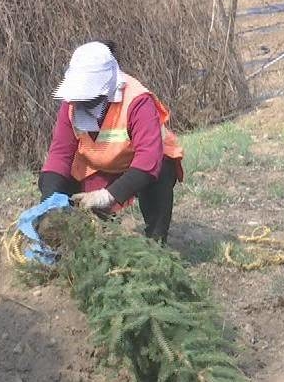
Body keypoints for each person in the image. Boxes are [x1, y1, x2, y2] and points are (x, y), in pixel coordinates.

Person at [38, 41, 184, 243]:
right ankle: (74, 243)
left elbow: (148, 161)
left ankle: (156, 243)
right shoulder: (71, 103)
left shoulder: (137, 101)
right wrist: (49, 201)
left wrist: (108, 195)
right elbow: (60, 155)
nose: (81, 104)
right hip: (98, 167)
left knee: (162, 172)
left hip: (141, 167)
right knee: (66, 192)